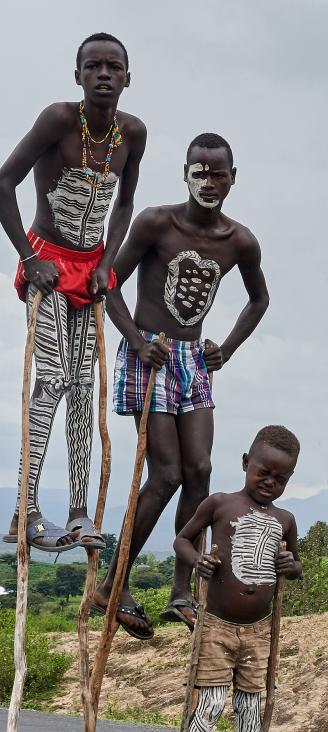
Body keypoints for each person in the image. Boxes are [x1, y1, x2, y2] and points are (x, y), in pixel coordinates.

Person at [93, 132, 270, 638]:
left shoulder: (239, 240)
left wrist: (227, 349)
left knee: (200, 470)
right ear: (185, 173)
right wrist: (134, 340)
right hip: (152, 354)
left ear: (233, 179)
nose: (209, 181)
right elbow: (109, 283)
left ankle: (181, 592)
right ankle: (113, 583)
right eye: (200, 171)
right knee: (166, 474)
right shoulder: (156, 222)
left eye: (219, 173)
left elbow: (259, 299)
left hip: (194, 359)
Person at [0, 33, 146, 552]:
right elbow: (1, 184)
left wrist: (107, 261)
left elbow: (124, 203)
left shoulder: (132, 134)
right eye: (93, 66)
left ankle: (79, 512)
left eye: (114, 67)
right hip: (49, 266)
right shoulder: (58, 120)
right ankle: (24, 508)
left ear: (128, 77)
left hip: (91, 271)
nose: (104, 74)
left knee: (84, 388)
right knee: (53, 380)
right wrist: (30, 259)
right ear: (77, 75)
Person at [162, 425, 301, 732]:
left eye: (281, 478)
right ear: (245, 463)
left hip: (259, 631)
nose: (270, 482)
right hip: (217, 627)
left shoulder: (286, 520)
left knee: (251, 709)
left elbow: (295, 567)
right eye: (264, 473)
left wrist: (291, 565)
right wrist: (197, 561)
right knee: (207, 706)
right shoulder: (219, 504)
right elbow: (182, 540)